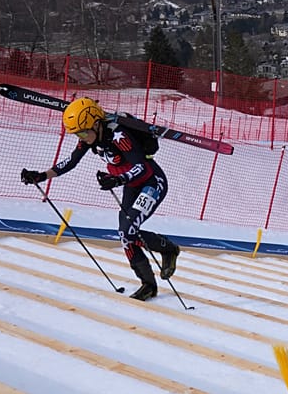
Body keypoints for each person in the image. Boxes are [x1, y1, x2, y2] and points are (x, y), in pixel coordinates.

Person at [20, 97, 180, 301]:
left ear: (96, 123)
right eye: (78, 134)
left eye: (83, 132)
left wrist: (116, 179)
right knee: (125, 235)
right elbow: (70, 162)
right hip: (130, 185)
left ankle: (169, 249)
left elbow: (141, 167)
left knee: (127, 230)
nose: (82, 137)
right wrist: (41, 176)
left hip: (151, 183)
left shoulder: (119, 136)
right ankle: (148, 285)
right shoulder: (92, 137)